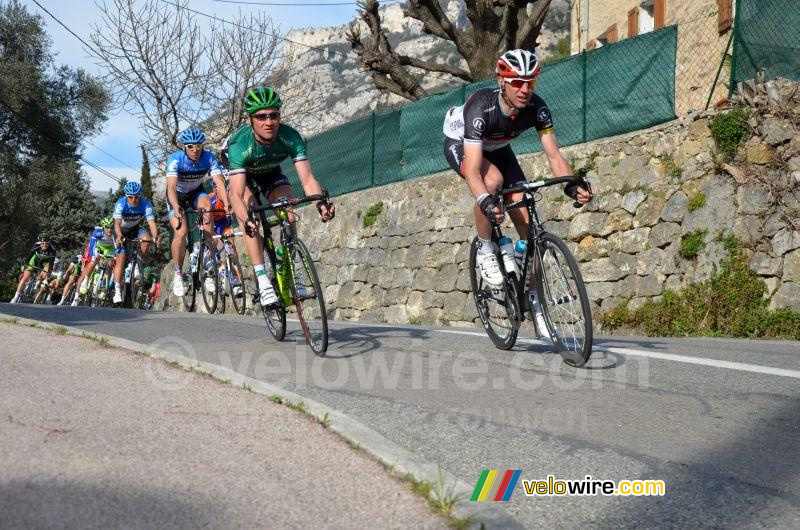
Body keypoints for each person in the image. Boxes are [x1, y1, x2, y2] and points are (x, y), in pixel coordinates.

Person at [442, 49, 594, 336]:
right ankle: (486, 247)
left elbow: (554, 156)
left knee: (530, 229)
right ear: (502, 82)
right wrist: (486, 201)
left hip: (499, 148)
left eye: (531, 82)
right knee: (493, 180)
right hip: (462, 145)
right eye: (517, 82)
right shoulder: (480, 107)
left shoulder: (537, 107)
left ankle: (535, 302)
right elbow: (473, 170)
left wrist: (571, 184)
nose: (525, 89)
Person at [225, 86, 334, 307]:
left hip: (271, 172)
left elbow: (308, 180)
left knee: (288, 213)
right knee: (249, 212)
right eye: (261, 116)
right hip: (243, 177)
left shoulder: (290, 137)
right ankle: (263, 280)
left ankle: (288, 267)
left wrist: (320, 203)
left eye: (274, 115)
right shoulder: (239, 144)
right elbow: (235, 194)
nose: (269, 122)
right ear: (250, 119)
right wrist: (245, 219)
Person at [165, 128, 228, 297]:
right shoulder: (175, 159)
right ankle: (178, 274)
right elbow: (170, 187)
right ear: (184, 147)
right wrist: (175, 205)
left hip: (195, 193)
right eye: (190, 146)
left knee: (207, 208)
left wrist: (228, 203)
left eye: (198, 146)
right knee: (181, 233)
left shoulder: (208, 157)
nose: (195, 150)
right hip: (176, 196)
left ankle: (208, 267)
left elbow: (219, 183)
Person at [112, 181, 159, 304]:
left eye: (137, 196)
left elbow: (151, 222)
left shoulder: (145, 204)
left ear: (140, 196)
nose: (134, 199)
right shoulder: (120, 204)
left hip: (134, 229)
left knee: (147, 239)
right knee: (121, 259)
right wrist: (119, 236)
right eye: (130, 197)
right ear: (126, 196)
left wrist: (156, 236)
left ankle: (138, 262)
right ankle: (117, 291)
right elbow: (116, 223)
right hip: (120, 231)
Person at [72, 217, 118, 306]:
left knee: (110, 264)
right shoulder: (98, 232)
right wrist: (93, 256)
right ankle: (85, 280)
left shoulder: (115, 234)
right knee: (94, 259)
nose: (109, 230)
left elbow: (117, 247)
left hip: (109, 248)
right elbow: (92, 244)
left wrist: (115, 256)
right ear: (103, 227)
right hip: (98, 246)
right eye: (107, 227)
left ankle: (105, 285)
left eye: (111, 227)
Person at [9, 233, 57, 303]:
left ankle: (38, 282)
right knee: (25, 277)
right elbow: (29, 256)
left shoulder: (52, 249)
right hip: (35, 260)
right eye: (42, 243)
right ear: (39, 243)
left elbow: (51, 263)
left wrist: (49, 273)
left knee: (45, 272)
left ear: (49, 243)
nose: (44, 245)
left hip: (45, 262)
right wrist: (25, 265)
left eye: (46, 243)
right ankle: (16, 296)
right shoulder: (36, 245)